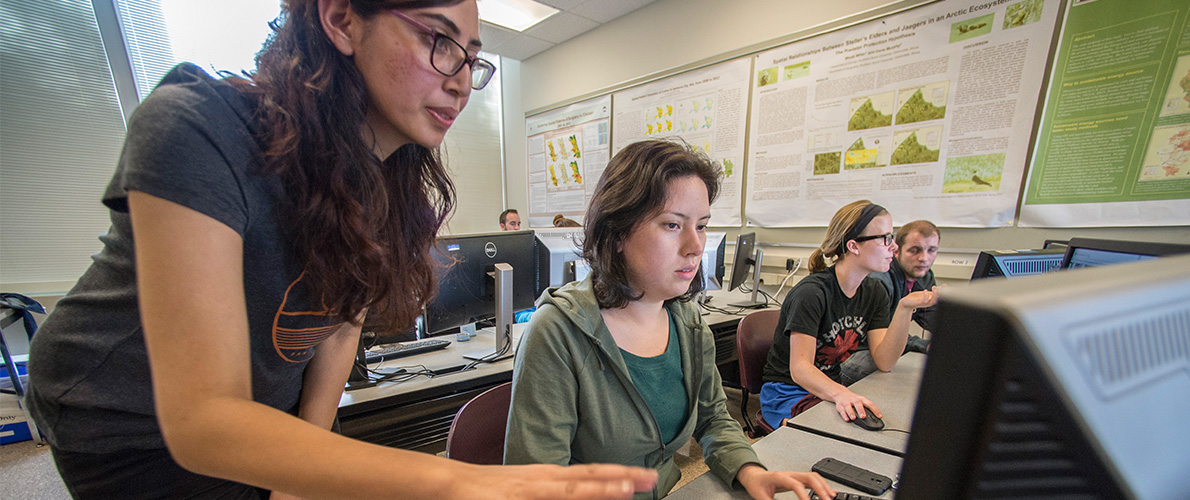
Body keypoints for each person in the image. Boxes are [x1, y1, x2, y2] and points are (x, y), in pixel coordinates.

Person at [24, 1, 656, 499]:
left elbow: (339, 320)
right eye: (439, 41)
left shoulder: (385, 180)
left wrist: (301, 465)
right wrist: (460, 481)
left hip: (264, 402)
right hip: (120, 417)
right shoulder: (197, 124)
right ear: (341, 19)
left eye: (472, 58)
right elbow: (202, 421)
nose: (463, 81)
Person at [505, 140, 836, 500]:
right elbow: (536, 486)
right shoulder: (557, 332)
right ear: (618, 233)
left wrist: (750, 470)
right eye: (673, 225)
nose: (695, 245)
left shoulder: (687, 322)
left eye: (702, 226)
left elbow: (714, 418)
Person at [758, 201, 939, 430]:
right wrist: (841, 394)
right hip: (787, 391)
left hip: (831, 385)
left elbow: (885, 361)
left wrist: (905, 308)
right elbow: (800, 368)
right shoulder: (812, 293)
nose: (893, 247)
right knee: (841, 435)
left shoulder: (875, 292)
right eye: (885, 238)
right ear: (853, 246)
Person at [838, 220, 938, 385]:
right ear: (897, 251)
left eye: (932, 250)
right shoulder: (880, 280)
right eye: (914, 250)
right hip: (856, 352)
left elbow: (934, 319)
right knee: (906, 377)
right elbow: (888, 337)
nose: (924, 258)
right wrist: (923, 345)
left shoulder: (924, 276)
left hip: (881, 349)